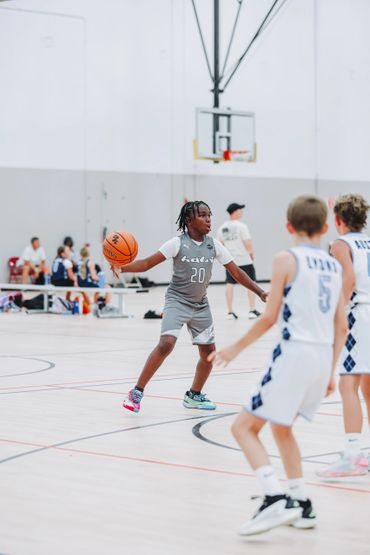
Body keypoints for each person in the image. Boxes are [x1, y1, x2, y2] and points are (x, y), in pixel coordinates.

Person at [209, 196, 347, 536]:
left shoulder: (286, 259)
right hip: (321, 358)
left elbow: (270, 317)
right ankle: (301, 502)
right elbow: (341, 325)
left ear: (288, 227)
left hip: (295, 354)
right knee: (281, 428)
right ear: (325, 228)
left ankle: (274, 498)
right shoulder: (335, 265)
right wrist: (330, 372)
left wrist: (235, 347)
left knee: (242, 427)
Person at [112, 201, 267, 413]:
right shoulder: (177, 243)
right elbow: (148, 263)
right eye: (202, 215)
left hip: (200, 305)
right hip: (177, 300)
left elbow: (237, 273)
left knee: (209, 353)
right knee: (166, 343)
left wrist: (260, 292)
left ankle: (194, 395)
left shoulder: (214, 245)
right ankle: (136, 392)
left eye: (209, 215)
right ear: (189, 220)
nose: (208, 219)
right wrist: (123, 267)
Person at [317, 194, 370, 477]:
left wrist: (336, 310)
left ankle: (352, 453)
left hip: (358, 315)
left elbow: (348, 278)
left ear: (338, 220)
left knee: (347, 384)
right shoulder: (368, 242)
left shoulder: (340, 243)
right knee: (367, 387)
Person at [217, 202, 260, 320]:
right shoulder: (241, 226)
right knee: (251, 283)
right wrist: (251, 254)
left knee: (230, 284)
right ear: (235, 212)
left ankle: (230, 312)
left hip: (231, 261)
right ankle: (252, 310)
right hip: (244, 259)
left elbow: (220, 245)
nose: (241, 212)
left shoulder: (222, 228)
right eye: (240, 210)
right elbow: (247, 243)